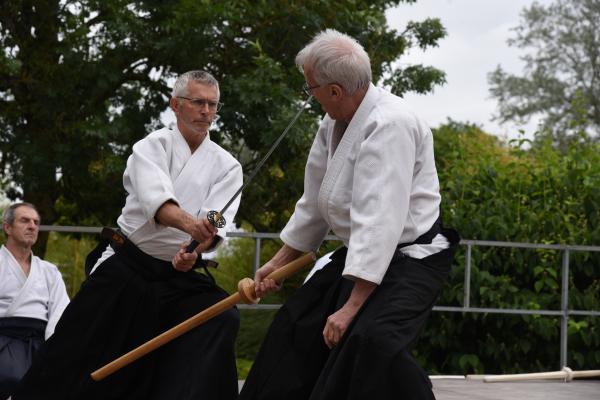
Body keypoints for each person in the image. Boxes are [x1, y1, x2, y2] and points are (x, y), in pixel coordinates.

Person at [238, 30, 460, 400]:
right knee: (296, 325)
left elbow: (380, 220)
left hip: (411, 260)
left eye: (310, 88)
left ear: (335, 91)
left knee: (368, 342)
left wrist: (351, 306)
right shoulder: (333, 123)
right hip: (364, 255)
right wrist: (277, 263)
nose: (310, 96)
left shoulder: (391, 124)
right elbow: (315, 204)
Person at [14, 70, 243, 400]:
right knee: (76, 344)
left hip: (180, 275)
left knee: (220, 316)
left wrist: (195, 247)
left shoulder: (227, 166)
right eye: (197, 102)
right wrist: (194, 227)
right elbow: (159, 204)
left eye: (212, 104)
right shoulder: (152, 147)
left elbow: (215, 223)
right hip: (129, 264)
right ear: (175, 105)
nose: (206, 111)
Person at [0, 203, 70, 399]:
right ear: (7, 227)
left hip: (41, 344)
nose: (32, 226)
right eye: (24, 220)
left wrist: (51, 351)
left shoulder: (49, 271)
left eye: (36, 222)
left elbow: (60, 313)